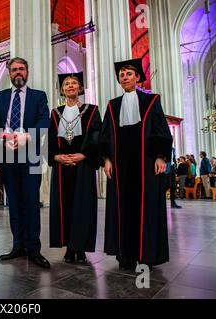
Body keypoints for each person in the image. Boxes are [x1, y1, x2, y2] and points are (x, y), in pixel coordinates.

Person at [100, 58, 173, 271]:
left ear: (138, 77)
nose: (124, 76)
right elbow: (105, 136)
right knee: (123, 210)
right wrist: (106, 159)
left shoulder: (151, 102)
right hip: (121, 167)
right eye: (121, 74)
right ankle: (126, 255)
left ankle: (147, 254)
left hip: (146, 165)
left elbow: (161, 129)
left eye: (129, 73)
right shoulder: (113, 106)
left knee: (146, 208)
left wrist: (161, 156)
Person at [0, 57, 51, 268]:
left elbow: (44, 120)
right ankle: (18, 246)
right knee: (13, 201)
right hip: (6, 154)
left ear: (27, 72)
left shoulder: (38, 96)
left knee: (31, 201)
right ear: (9, 74)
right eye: (14, 70)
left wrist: (28, 136)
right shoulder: (1, 96)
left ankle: (34, 249)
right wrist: (2, 137)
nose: (18, 73)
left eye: (21, 69)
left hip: (30, 153)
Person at [48, 72, 102, 263]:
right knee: (64, 206)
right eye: (67, 84)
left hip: (83, 165)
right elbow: (51, 138)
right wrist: (56, 156)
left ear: (80, 88)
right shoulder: (55, 113)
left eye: (74, 83)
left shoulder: (92, 110)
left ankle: (81, 248)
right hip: (62, 166)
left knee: (83, 206)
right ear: (62, 90)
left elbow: (97, 137)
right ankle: (69, 247)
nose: (70, 86)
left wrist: (84, 155)